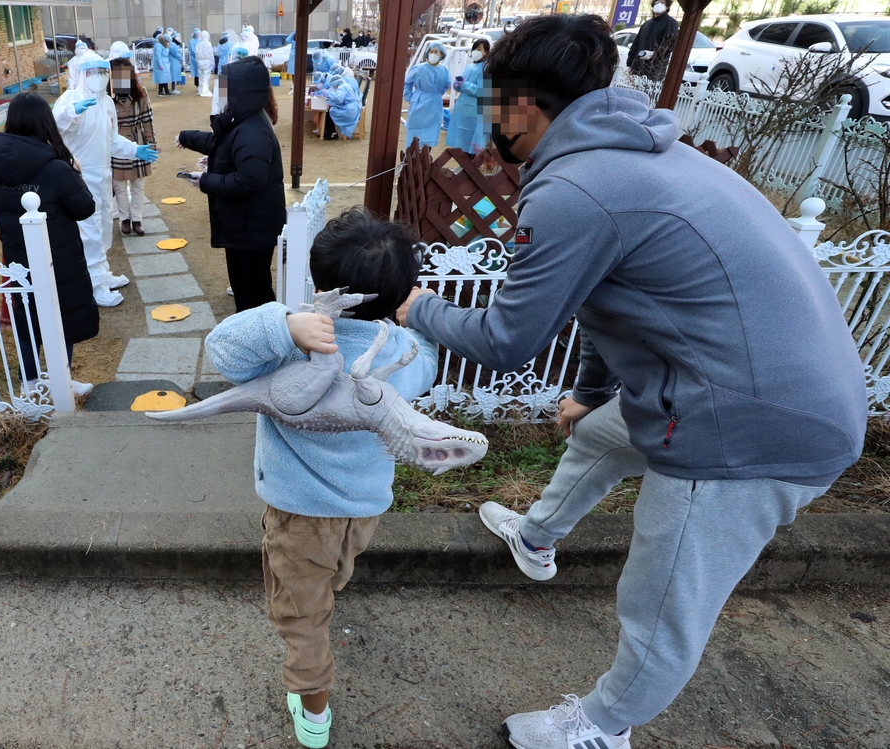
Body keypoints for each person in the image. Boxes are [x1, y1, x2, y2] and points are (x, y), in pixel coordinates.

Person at [395, 15, 867, 749]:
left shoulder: (576, 191)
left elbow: (506, 341)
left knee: (664, 598)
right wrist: (587, 391)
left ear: (521, 107)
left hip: (745, 425)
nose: (486, 124)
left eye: (490, 106)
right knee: (600, 432)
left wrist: (417, 305)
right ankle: (538, 534)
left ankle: (603, 725)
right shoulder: (635, 156)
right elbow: (623, 297)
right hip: (752, 387)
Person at [204, 207, 438, 749]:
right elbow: (428, 357)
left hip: (298, 512)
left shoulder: (289, 349)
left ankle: (312, 708)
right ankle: (326, 596)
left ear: (318, 279)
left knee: (300, 613)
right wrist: (413, 318)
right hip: (364, 507)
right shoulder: (402, 354)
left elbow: (222, 347)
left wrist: (283, 324)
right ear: (404, 289)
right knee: (333, 574)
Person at [0, 92, 98, 398]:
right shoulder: (54, 167)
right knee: (61, 316)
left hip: (17, 257)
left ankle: (30, 382)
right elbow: (85, 207)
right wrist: (76, 173)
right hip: (57, 256)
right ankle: (61, 380)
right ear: (44, 122)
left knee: (26, 317)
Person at [177, 57, 285, 312]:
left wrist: (204, 180)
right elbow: (219, 144)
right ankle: (248, 335)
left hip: (254, 226)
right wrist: (187, 138)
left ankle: (262, 341)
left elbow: (248, 180)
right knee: (242, 286)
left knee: (255, 290)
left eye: (226, 87)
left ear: (242, 91)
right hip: (245, 225)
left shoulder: (253, 130)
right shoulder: (243, 120)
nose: (221, 93)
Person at [53, 50, 160, 307]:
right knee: (88, 231)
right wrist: (71, 112)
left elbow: (111, 140)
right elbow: (53, 126)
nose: (99, 77)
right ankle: (96, 286)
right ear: (82, 74)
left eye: (103, 72)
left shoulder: (107, 103)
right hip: (80, 176)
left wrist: (135, 149)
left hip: (103, 174)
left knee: (101, 226)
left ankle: (102, 273)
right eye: (93, 72)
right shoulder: (70, 98)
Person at [109, 42, 156, 237]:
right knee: (119, 186)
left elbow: (147, 119)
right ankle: (124, 219)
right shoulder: (107, 97)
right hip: (117, 142)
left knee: (138, 184)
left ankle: (137, 218)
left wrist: (151, 144)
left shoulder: (140, 93)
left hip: (137, 141)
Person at [446, 39, 490, 154]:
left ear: (486, 52)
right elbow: (463, 83)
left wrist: (465, 84)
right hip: (462, 108)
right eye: (475, 49)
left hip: (475, 110)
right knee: (461, 141)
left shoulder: (486, 68)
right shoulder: (470, 66)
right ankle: (464, 166)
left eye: (479, 49)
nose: (476, 51)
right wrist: (457, 85)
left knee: (472, 144)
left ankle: (470, 167)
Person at [403, 42, 450, 148]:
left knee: (431, 132)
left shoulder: (444, 70)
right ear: (427, 53)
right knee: (414, 131)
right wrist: (410, 97)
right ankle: (410, 158)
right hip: (419, 102)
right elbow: (407, 83)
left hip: (435, 104)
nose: (433, 53)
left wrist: (436, 94)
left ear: (441, 54)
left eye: (436, 52)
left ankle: (425, 157)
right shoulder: (419, 68)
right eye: (431, 51)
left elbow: (446, 85)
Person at [627, 0, 678, 80]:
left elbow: (669, 45)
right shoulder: (646, 24)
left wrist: (653, 54)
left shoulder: (671, 23)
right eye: (657, 2)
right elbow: (636, 43)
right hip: (636, 67)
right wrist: (630, 62)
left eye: (662, 2)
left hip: (653, 70)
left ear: (667, 6)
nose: (658, 4)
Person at [322, 71, 361, 139]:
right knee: (331, 108)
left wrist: (327, 93)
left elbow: (338, 99)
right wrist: (330, 102)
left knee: (330, 111)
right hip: (353, 108)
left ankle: (332, 133)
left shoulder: (341, 88)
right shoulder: (346, 85)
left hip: (349, 111)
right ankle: (331, 132)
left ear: (335, 84)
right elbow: (341, 100)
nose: (334, 87)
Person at [196, 30, 215, 97]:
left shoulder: (198, 44)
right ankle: (205, 91)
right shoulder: (208, 44)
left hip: (200, 62)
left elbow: (197, 54)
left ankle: (200, 90)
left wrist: (198, 61)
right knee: (206, 77)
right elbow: (211, 54)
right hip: (207, 62)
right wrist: (213, 63)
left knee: (201, 77)